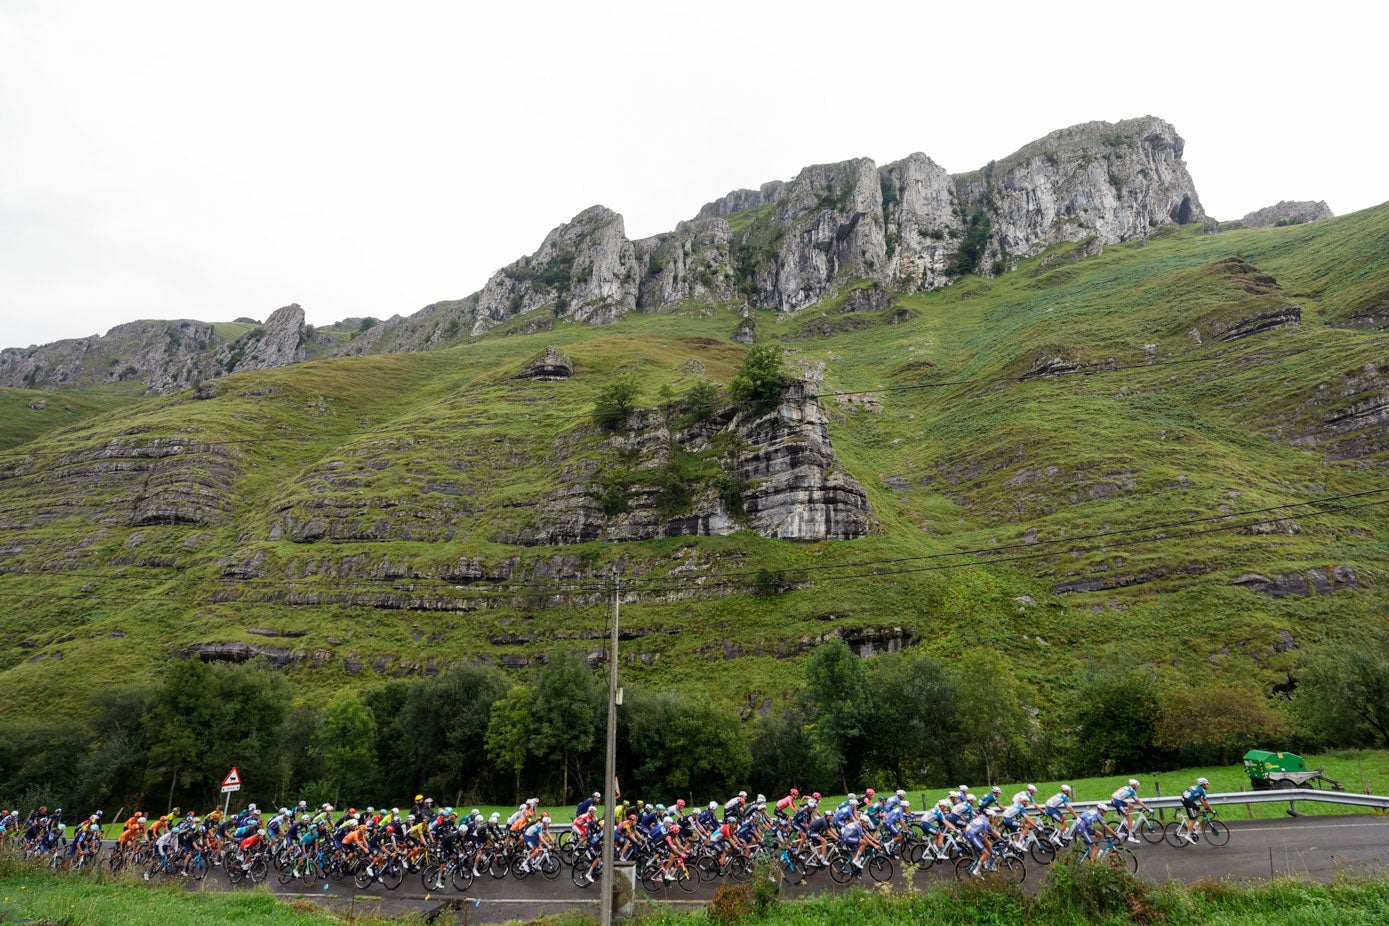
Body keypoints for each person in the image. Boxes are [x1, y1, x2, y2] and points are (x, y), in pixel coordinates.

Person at [1109, 779, 1151, 844]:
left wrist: (1112, 797)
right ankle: (1130, 836)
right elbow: (1138, 801)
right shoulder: (1132, 791)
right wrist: (1147, 808)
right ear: (1134, 786)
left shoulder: (1126, 787)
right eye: (1137, 786)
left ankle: (1126, 821)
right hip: (1117, 802)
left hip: (1116, 800)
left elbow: (1119, 789)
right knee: (1129, 818)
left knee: (1131, 806)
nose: (1138, 787)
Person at [1178, 777, 1214, 842]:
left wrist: (1206, 808)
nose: (1208, 785)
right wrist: (1211, 810)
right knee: (1192, 819)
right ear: (1203, 785)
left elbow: (1201, 800)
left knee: (1199, 810)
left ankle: (1193, 825)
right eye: (1207, 784)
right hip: (1187, 802)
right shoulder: (1202, 790)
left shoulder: (1197, 787)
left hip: (1187, 800)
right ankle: (1188, 836)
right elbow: (1205, 802)